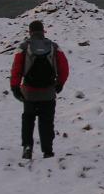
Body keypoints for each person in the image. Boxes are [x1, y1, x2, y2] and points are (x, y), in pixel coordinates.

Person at [10, 20, 69, 160]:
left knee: (28, 119)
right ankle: (48, 151)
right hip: (48, 92)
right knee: (47, 121)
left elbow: (16, 69)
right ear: (43, 31)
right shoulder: (54, 47)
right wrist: (60, 83)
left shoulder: (23, 47)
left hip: (29, 92)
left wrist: (15, 87)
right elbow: (64, 68)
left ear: (30, 32)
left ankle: (27, 147)